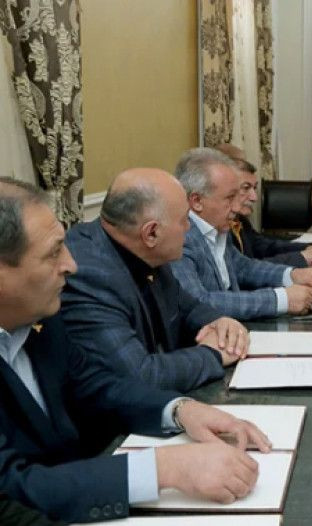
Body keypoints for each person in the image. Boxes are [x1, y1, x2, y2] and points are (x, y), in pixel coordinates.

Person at [0, 177, 272, 523]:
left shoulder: (40, 318)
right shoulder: (63, 293)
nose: (71, 264)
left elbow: (97, 386)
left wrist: (180, 410)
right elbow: (11, 487)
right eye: (53, 252)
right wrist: (161, 469)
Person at [62, 169, 247, 392]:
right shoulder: (89, 274)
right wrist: (213, 355)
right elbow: (141, 377)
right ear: (151, 233)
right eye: (184, 220)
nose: (189, 228)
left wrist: (219, 322)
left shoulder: (144, 248)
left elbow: (186, 305)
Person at [170, 148, 312, 320]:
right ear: (197, 201)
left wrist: (291, 275)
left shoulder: (216, 224)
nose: (236, 207)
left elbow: (242, 267)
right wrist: (280, 300)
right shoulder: (180, 238)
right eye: (229, 198)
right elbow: (198, 302)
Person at [229, 157, 312, 267]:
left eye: (254, 188)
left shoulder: (240, 220)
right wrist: (301, 257)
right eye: (246, 188)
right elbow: (246, 269)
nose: (254, 197)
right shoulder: (221, 228)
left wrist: (308, 248)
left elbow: (266, 247)